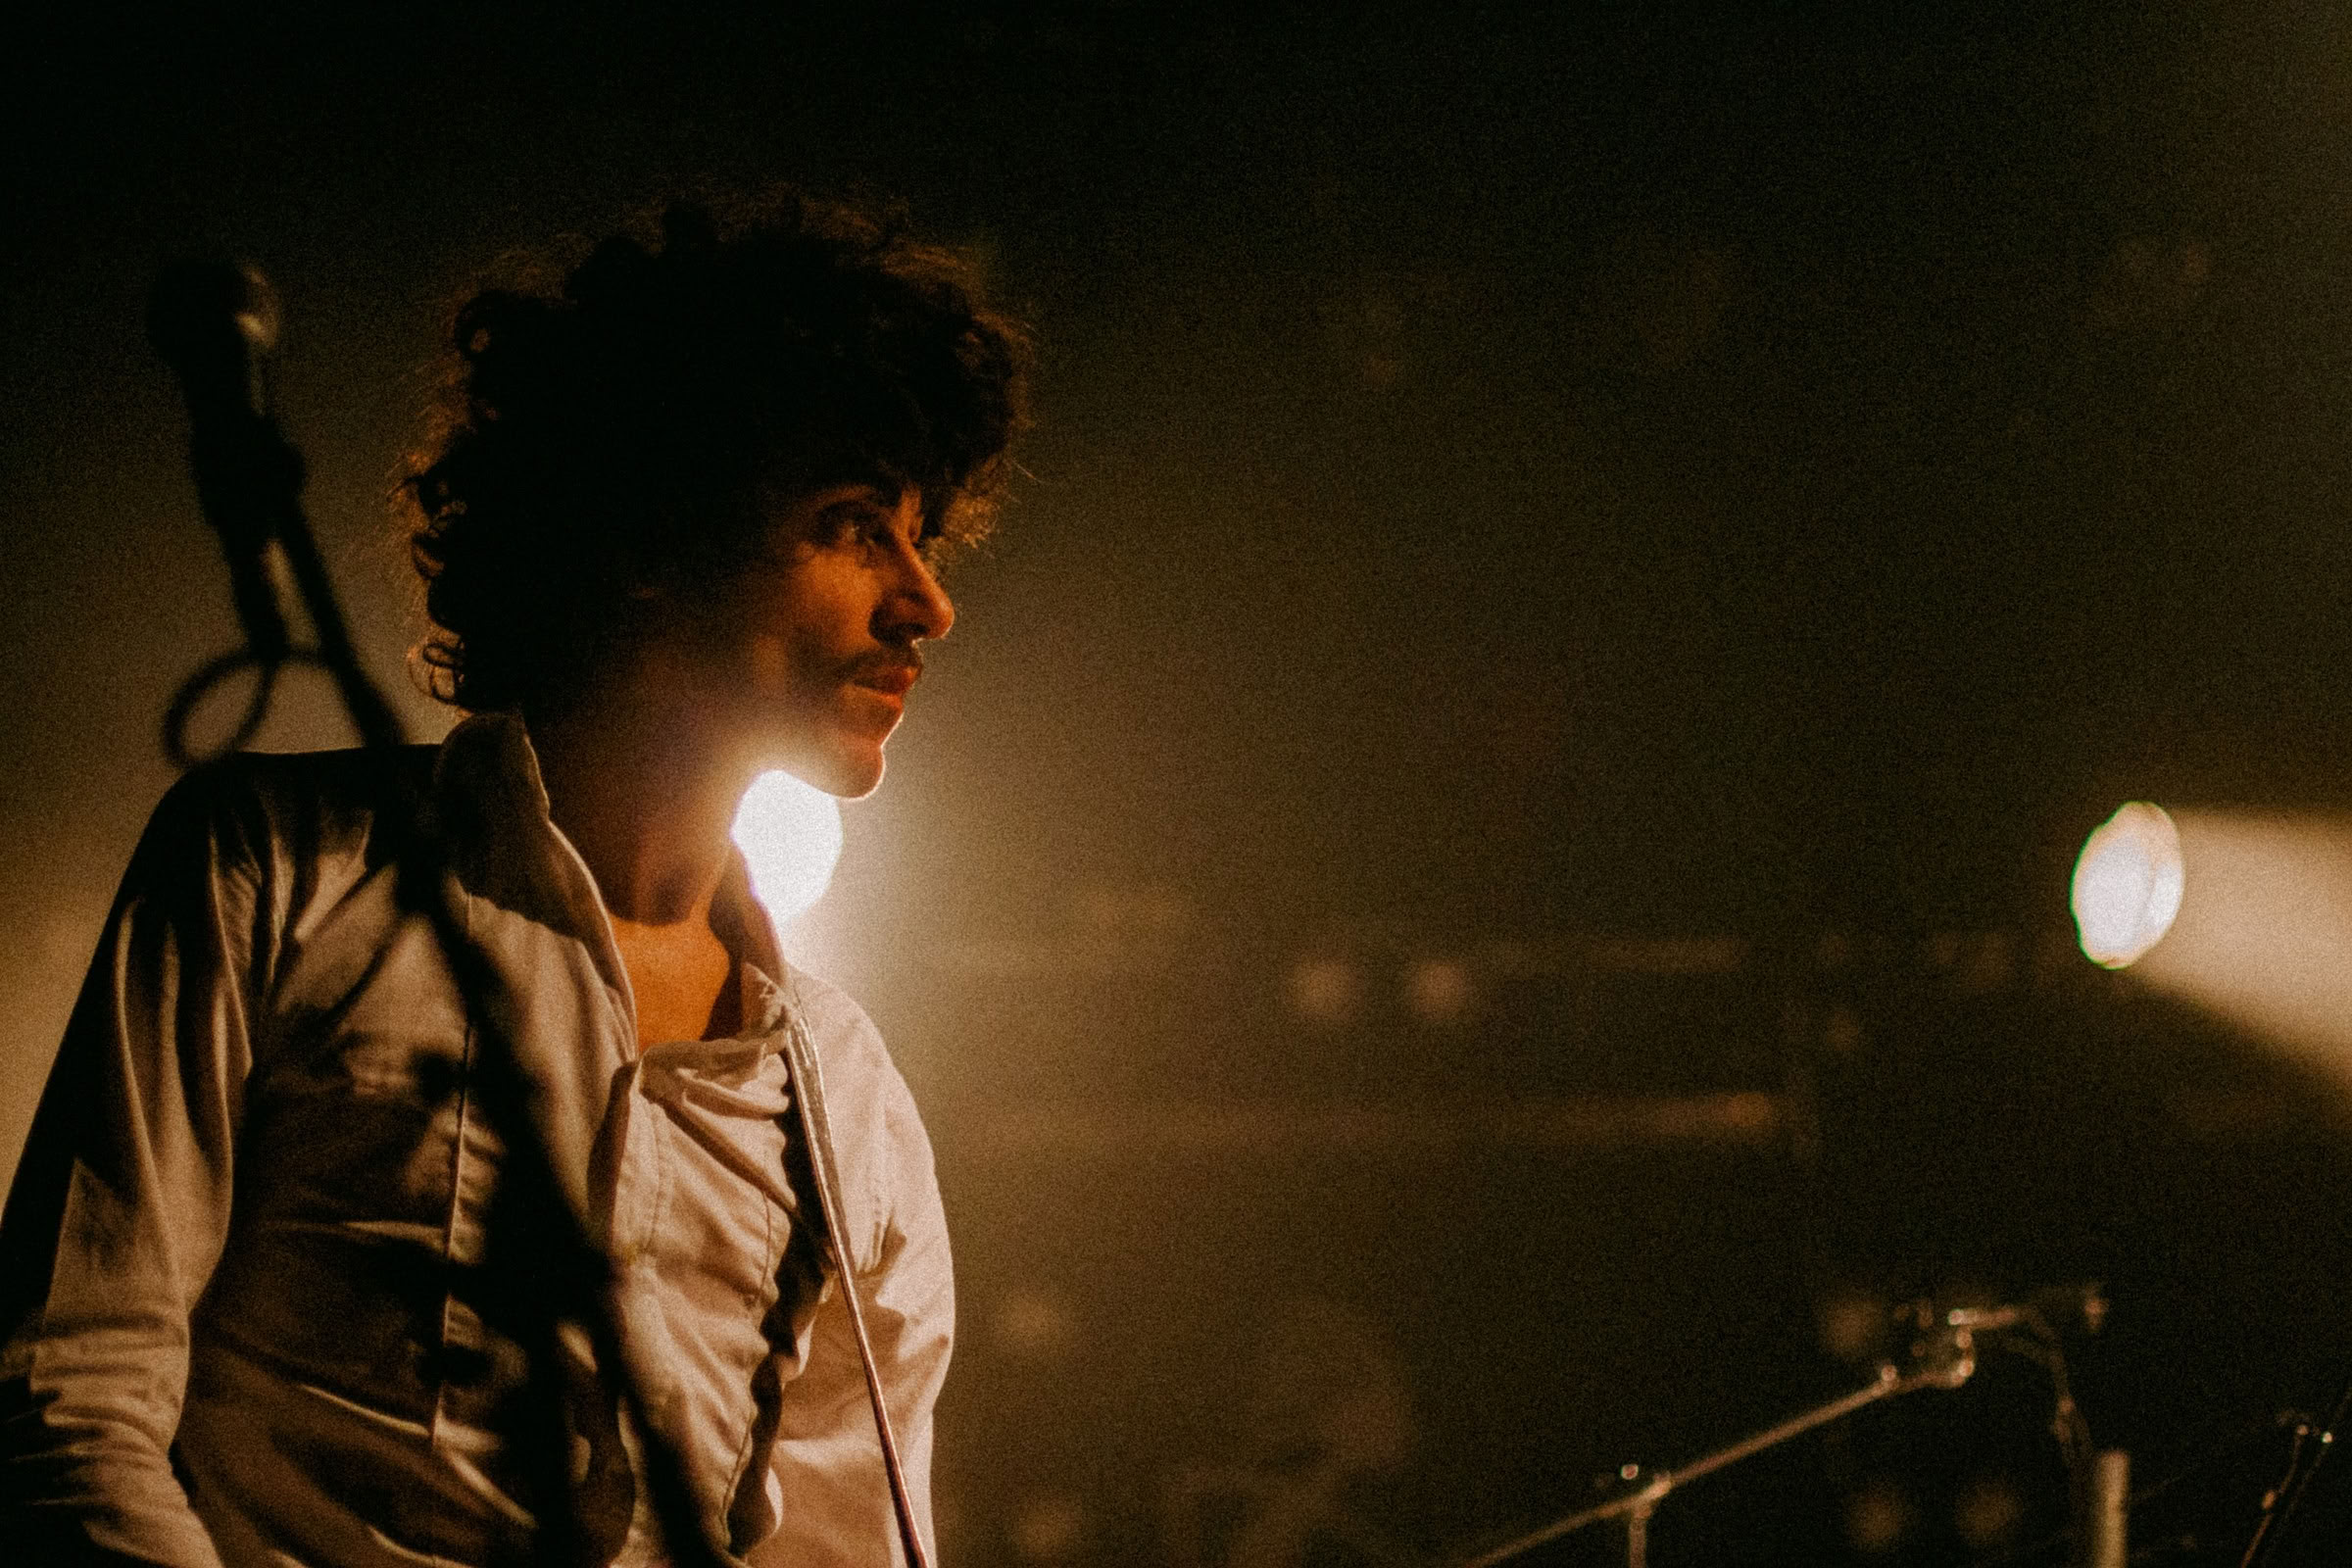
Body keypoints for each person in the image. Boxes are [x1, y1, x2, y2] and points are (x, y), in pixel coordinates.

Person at [0, 193, 1026, 1568]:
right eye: (854, 524)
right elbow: (69, 1400)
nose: (927, 600)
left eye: (922, 535)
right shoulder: (273, 873)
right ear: (657, 532)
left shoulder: (849, 1104)